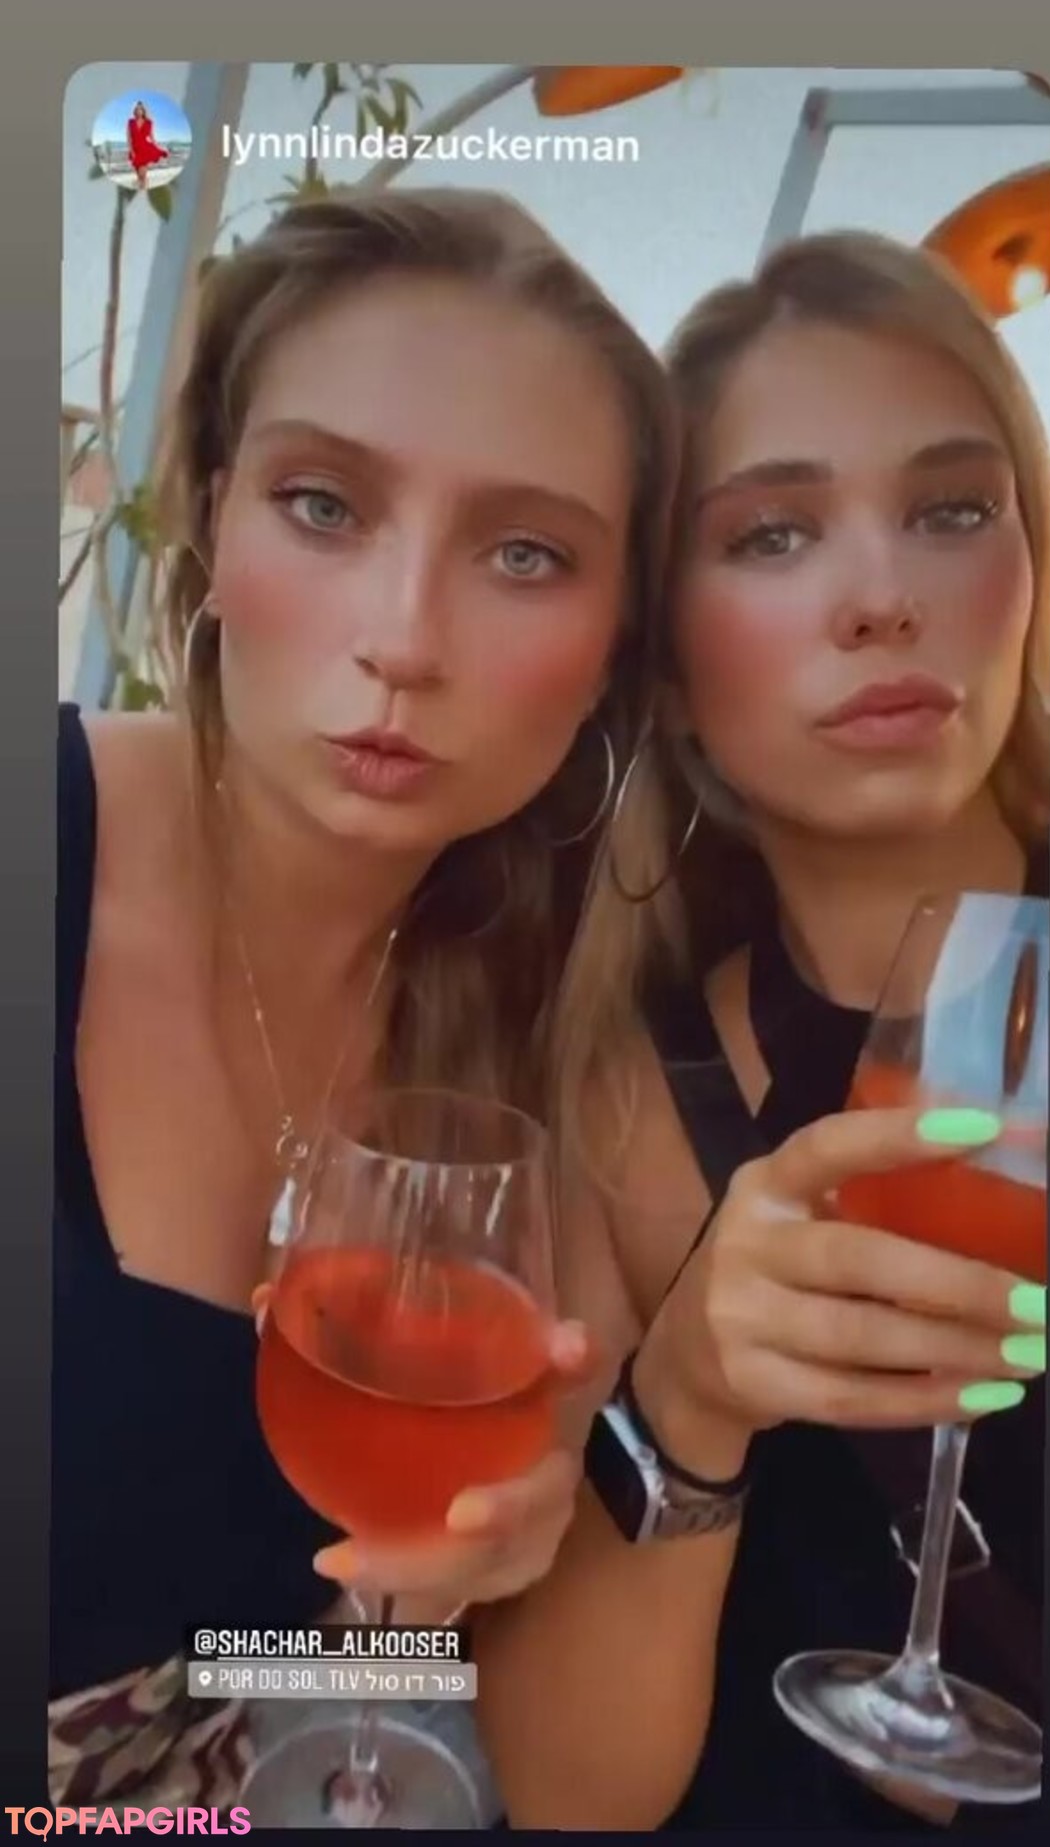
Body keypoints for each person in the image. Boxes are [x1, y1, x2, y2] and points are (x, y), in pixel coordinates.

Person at [51, 185, 681, 1809]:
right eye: (324, 504)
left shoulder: (535, 1057)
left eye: (526, 553)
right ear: (213, 517)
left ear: (617, 642)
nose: (404, 638)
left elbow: (541, 1768)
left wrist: (443, 1609)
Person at [474, 230, 1050, 1832]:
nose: (883, 599)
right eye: (774, 533)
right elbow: (570, 1788)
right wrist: (687, 1398)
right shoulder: (633, 1091)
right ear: (661, 664)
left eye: (954, 509)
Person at [127, 101, 170, 189]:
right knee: (139, 176)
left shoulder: (149, 122)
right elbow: (128, 138)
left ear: (144, 111)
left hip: (145, 150)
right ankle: (143, 187)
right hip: (135, 150)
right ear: (135, 111)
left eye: (141, 109)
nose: (139, 111)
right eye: (137, 109)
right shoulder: (130, 122)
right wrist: (131, 151)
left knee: (142, 174)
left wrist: (159, 148)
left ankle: (143, 186)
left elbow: (152, 138)